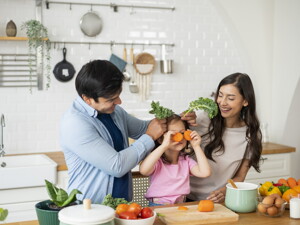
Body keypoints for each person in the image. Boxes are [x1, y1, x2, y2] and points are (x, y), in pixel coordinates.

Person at [60, 60, 196, 204]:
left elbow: (144, 128)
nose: (119, 102)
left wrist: (179, 120)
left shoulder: (114, 111)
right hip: (90, 208)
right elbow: (117, 166)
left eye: (118, 95)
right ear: (87, 99)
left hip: (121, 206)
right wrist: (149, 136)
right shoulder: (75, 124)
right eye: (111, 99)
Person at [187, 72, 262, 203]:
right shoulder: (204, 119)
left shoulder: (251, 134)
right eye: (220, 95)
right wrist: (184, 122)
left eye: (231, 98)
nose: (222, 102)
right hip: (186, 197)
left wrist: (224, 191)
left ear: (245, 101)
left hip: (218, 201)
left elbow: (240, 176)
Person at [139, 114, 211, 206]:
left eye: (182, 133)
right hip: (158, 206)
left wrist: (196, 146)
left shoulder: (186, 161)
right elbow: (143, 170)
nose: (179, 138)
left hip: (180, 205)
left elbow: (205, 172)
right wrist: (164, 146)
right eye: (173, 134)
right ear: (161, 139)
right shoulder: (157, 161)